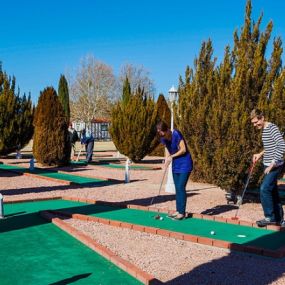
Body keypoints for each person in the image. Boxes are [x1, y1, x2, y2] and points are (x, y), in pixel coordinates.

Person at [250, 109, 285, 227]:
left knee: (264, 189)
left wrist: (272, 164)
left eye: (256, 122)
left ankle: (269, 217)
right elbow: (271, 146)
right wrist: (260, 154)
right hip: (268, 164)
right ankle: (280, 219)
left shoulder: (272, 128)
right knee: (272, 191)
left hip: (275, 165)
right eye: (253, 123)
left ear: (262, 117)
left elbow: (281, 145)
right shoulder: (264, 129)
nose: (255, 125)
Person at [156, 121, 193, 220]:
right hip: (175, 165)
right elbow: (167, 149)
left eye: (162, 133)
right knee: (177, 188)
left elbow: (183, 149)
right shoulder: (164, 138)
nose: (162, 135)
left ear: (167, 130)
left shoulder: (176, 133)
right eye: (160, 134)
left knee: (181, 186)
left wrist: (171, 157)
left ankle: (182, 213)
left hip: (185, 163)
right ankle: (178, 211)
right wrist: (166, 162)